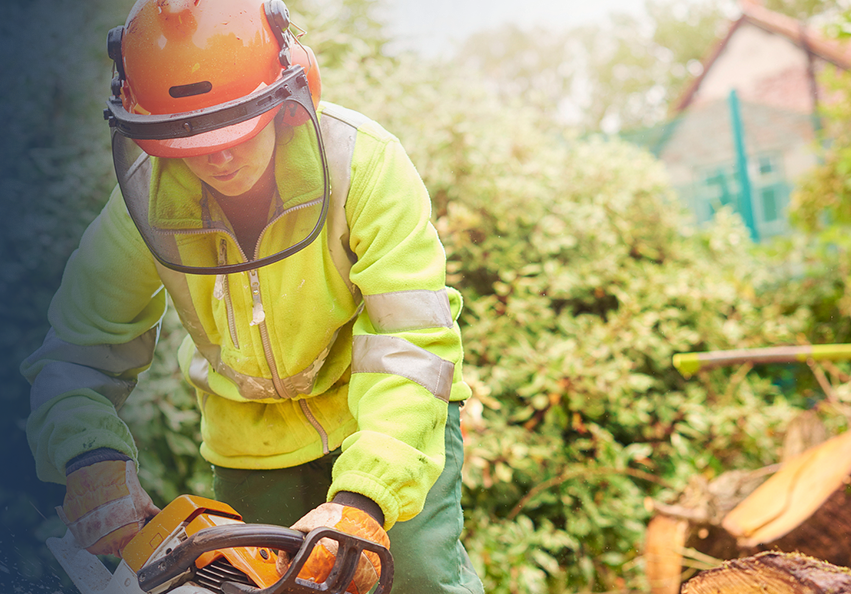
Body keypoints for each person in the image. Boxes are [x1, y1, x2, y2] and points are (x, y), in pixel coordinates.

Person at [21, 0, 484, 592]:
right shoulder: (143, 199)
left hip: (383, 418)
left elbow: (413, 342)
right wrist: (89, 459)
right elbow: (75, 354)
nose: (217, 155)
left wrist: (365, 499)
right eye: (186, 136)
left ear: (290, 96)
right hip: (251, 441)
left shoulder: (363, 162)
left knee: (416, 579)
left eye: (235, 128)